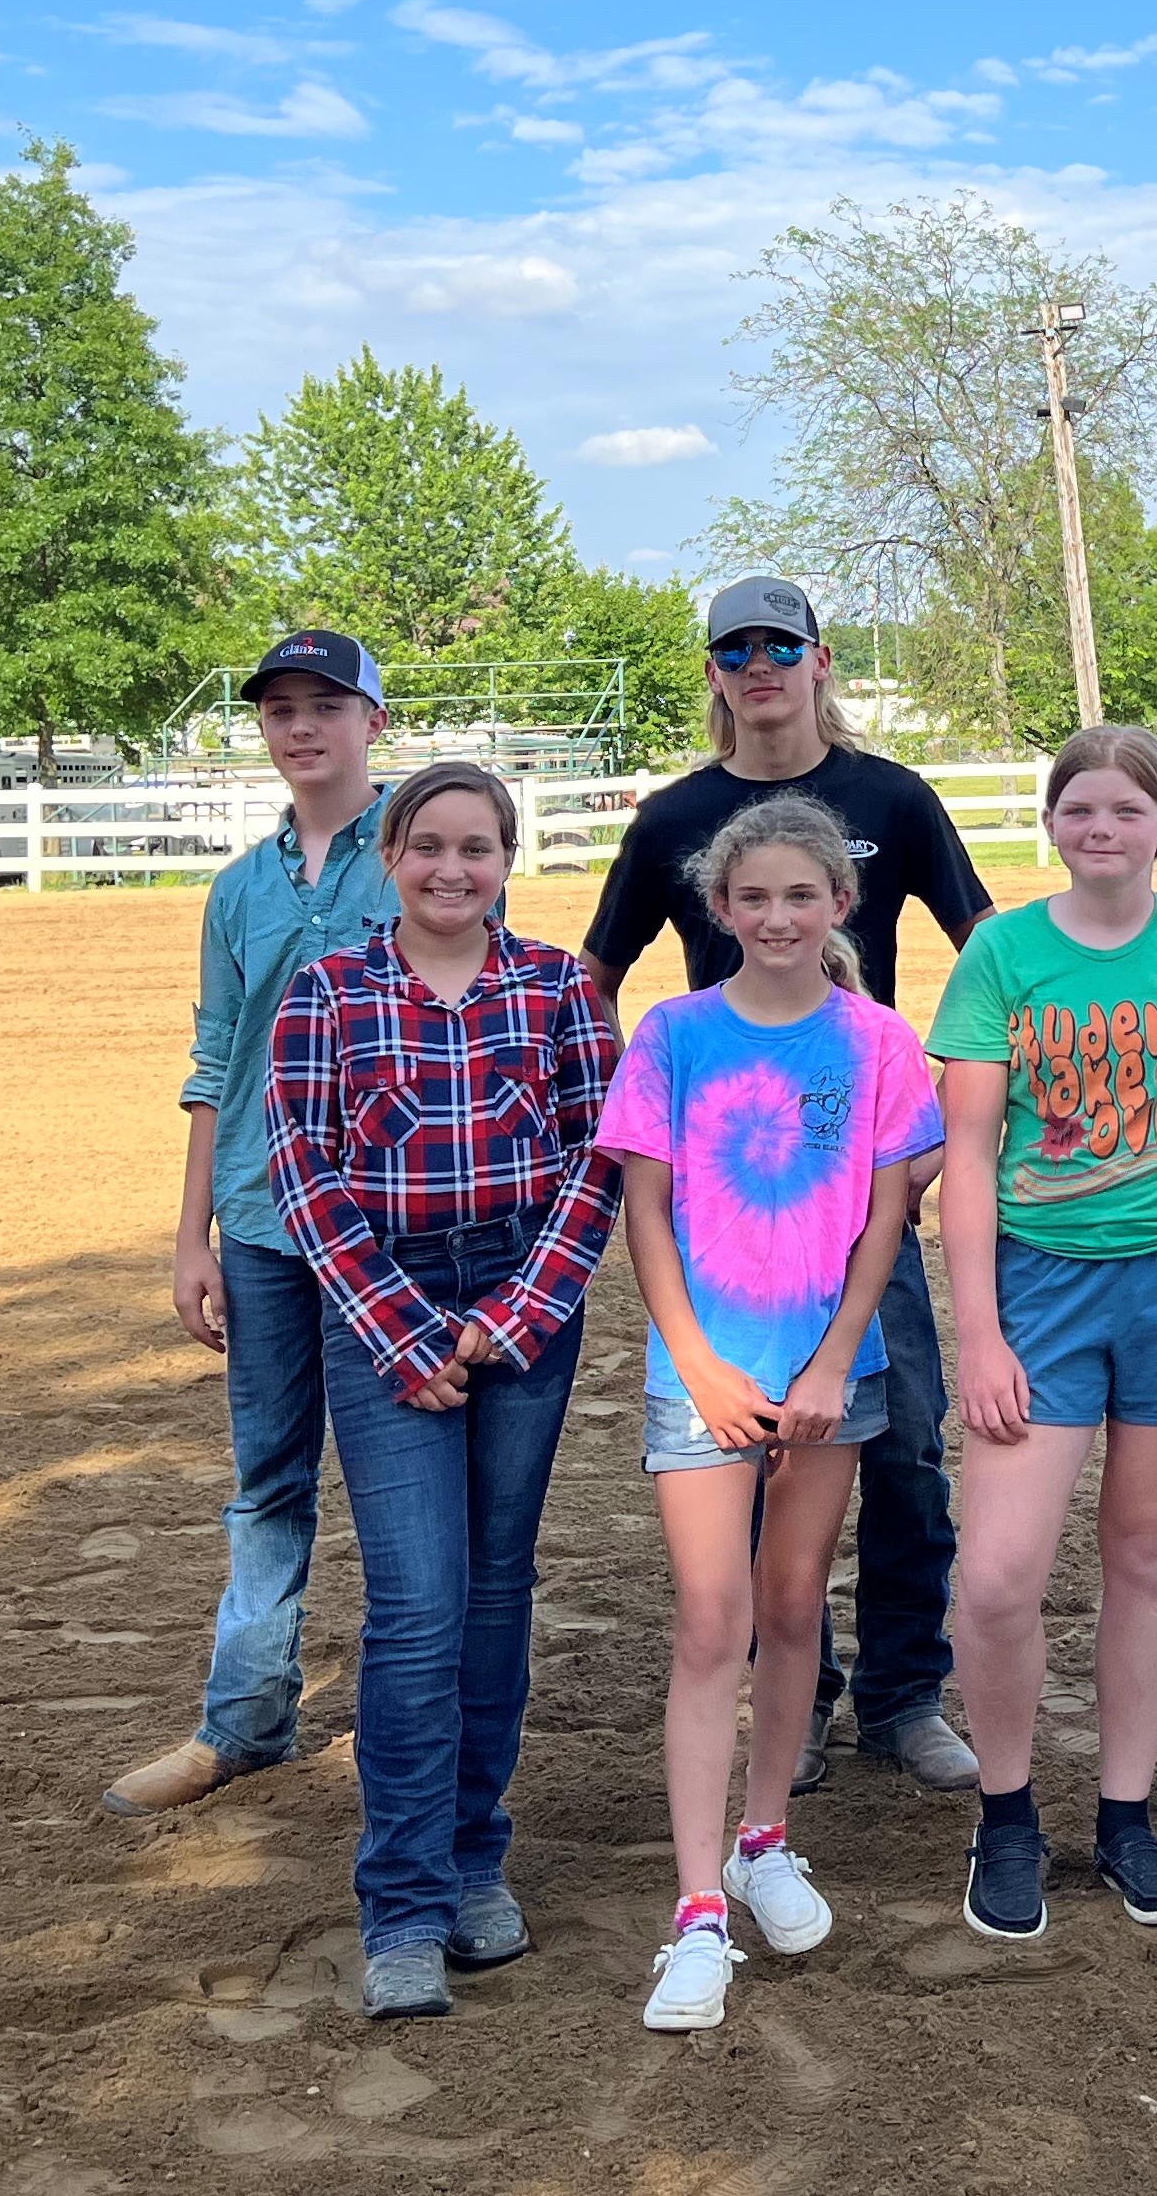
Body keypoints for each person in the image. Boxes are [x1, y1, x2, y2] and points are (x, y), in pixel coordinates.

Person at [581, 575, 992, 1796]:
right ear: (714, 672)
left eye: (780, 644)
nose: (758, 665)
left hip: (860, 1192)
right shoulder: (673, 821)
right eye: (734, 649)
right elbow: (593, 973)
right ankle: (792, 1693)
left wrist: (935, 1125)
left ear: (819, 659)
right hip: (731, 1215)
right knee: (745, 1443)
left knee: (905, 1441)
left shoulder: (893, 800)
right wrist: (657, 1122)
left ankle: (905, 1695)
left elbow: (990, 954)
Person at [265, 762, 623, 2020]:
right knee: (416, 1605)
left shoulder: (561, 988)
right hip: (383, 1298)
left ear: (508, 861)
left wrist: (516, 1317)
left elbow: (598, 1159)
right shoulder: (329, 992)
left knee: (494, 1589)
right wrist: (405, 1333)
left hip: (526, 1293)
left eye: (478, 848)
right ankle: (404, 1902)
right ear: (390, 858)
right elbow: (302, 1170)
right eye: (428, 847)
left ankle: (477, 1859)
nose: (452, 870)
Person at [930, 725, 1157, 1940]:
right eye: (1078, 809)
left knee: (1145, 1558)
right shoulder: (1002, 953)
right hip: (1044, 1285)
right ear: (1053, 824)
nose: (1101, 830)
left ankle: (1127, 1815)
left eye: (1125, 812)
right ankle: (1009, 1813)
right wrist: (978, 1334)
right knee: (996, 1577)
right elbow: (970, 1159)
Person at [602, 795, 942, 2031]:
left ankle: (765, 1839)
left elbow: (885, 1221)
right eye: (756, 898)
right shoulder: (674, 1034)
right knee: (713, 1620)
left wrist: (833, 1364)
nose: (780, 916)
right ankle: (698, 1911)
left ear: (839, 908)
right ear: (721, 910)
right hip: (708, 1377)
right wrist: (694, 1362)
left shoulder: (878, 1046)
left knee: (795, 1604)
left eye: (804, 896)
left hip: (824, 1379)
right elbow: (646, 1211)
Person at [104, 630, 401, 1822]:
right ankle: (245, 1718)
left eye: (325, 704)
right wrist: (194, 1237)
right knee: (269, 1476)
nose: (300, 727)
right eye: (280, 709)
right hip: (268, 1224)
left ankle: (405, 1715)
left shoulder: (421, 856)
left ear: (373, 720)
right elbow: (215, 1061)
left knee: (397, 1485)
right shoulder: (240, 889)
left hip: (390, 1228)